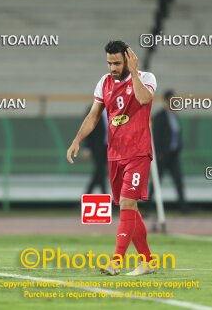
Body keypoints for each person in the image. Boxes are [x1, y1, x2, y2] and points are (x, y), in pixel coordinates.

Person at [67, 40, 157, 276]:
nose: (112, 68)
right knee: (130, 209)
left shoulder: (147, 78)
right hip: (115, 155)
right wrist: (77, 140)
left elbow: (144, 100)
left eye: (117, 63)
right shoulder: (103, 83)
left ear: (128, 59)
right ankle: (147, 262)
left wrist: (135, 72)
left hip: (138, 153)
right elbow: (94, 116)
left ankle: (116, 262)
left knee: (128, 203)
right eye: (109, 63)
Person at [150, 90, 190, 213]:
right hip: (163, 155)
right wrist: (159, 153)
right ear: (166, 101)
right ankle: (149, 207)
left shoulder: (174, 115)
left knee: (178, 181)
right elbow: (156, 136)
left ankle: (183, 207)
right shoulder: (160, 116)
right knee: (156, 182)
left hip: (173, 155)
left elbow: (176, 134)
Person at [82, 106, 108, 194]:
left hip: (111, 146)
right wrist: (87, 147)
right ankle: (104, 195)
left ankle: (87, 194)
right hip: (98, 146)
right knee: (101, 170)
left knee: (100, 172)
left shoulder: (115, 108)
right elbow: (87, 128)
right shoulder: (94, 109)